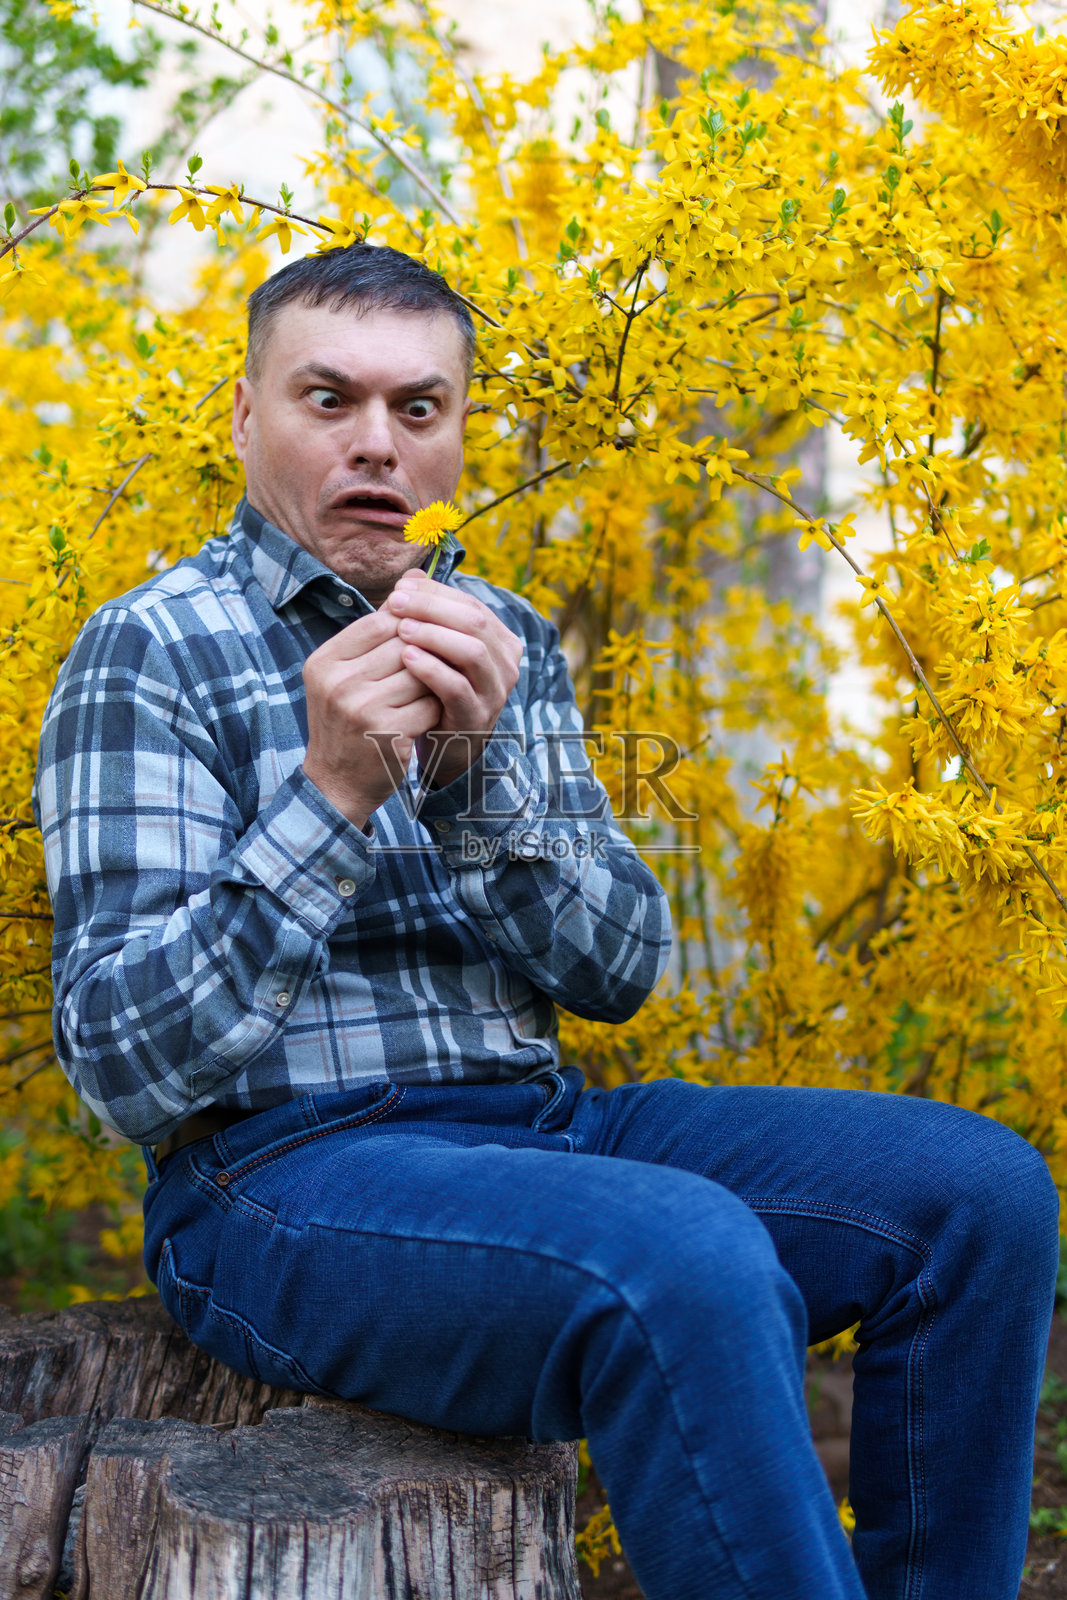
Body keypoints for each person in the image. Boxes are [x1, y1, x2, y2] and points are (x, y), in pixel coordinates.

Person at [35, 242, 1058, 1600]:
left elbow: (621, 968)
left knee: (979, 1197)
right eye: (326, 399)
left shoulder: (497, 634)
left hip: (540, 1127)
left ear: (457, 435)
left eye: (418, 408)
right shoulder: (150, 648)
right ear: (244, 416)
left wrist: (473, 786)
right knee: (683, 1261)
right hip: (275, 1179)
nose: (375, 445)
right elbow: (120, 1066)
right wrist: (328, 799)